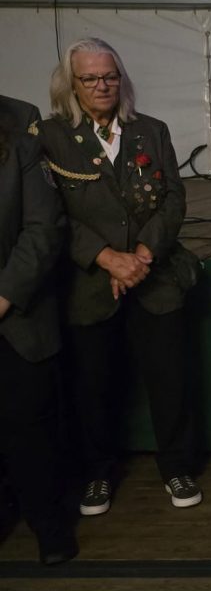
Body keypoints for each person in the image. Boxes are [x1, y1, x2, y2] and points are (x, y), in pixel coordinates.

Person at [37, 38, 202, 517]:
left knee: (170, 380)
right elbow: (52, 216)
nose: (102, 85)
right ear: (71, 85)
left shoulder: (151, 130)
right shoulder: (49, 137)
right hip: (91, 285)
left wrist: (143, 256)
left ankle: (177, 467)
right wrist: (108, 258)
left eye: (109, 76)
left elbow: (174, 199)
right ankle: (96, 474)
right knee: (93, 385)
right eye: (90, 78)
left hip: (155, 278)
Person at [0, 95, 77, 565]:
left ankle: (48, 525)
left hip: (17, 316)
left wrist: (4, 296)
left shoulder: (21, 132)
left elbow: (43, 229)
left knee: (30, 431)